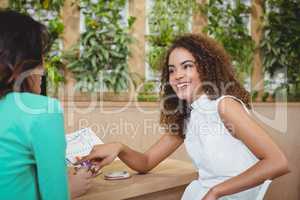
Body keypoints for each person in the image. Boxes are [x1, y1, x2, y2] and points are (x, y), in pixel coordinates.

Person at [81, 34, 290, 200]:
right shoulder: (189, 116)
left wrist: (217, 191)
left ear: (206, 68)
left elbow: (278, 162)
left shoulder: (224, 106)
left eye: (187, 66)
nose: (177, 75)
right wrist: (119, 147)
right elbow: (146, 162)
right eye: (172, 70)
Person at [0, 10, 91, 199]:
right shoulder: (42, 110)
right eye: (42, 58)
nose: (44, 70)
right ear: (23, 63)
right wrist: (69, 189)